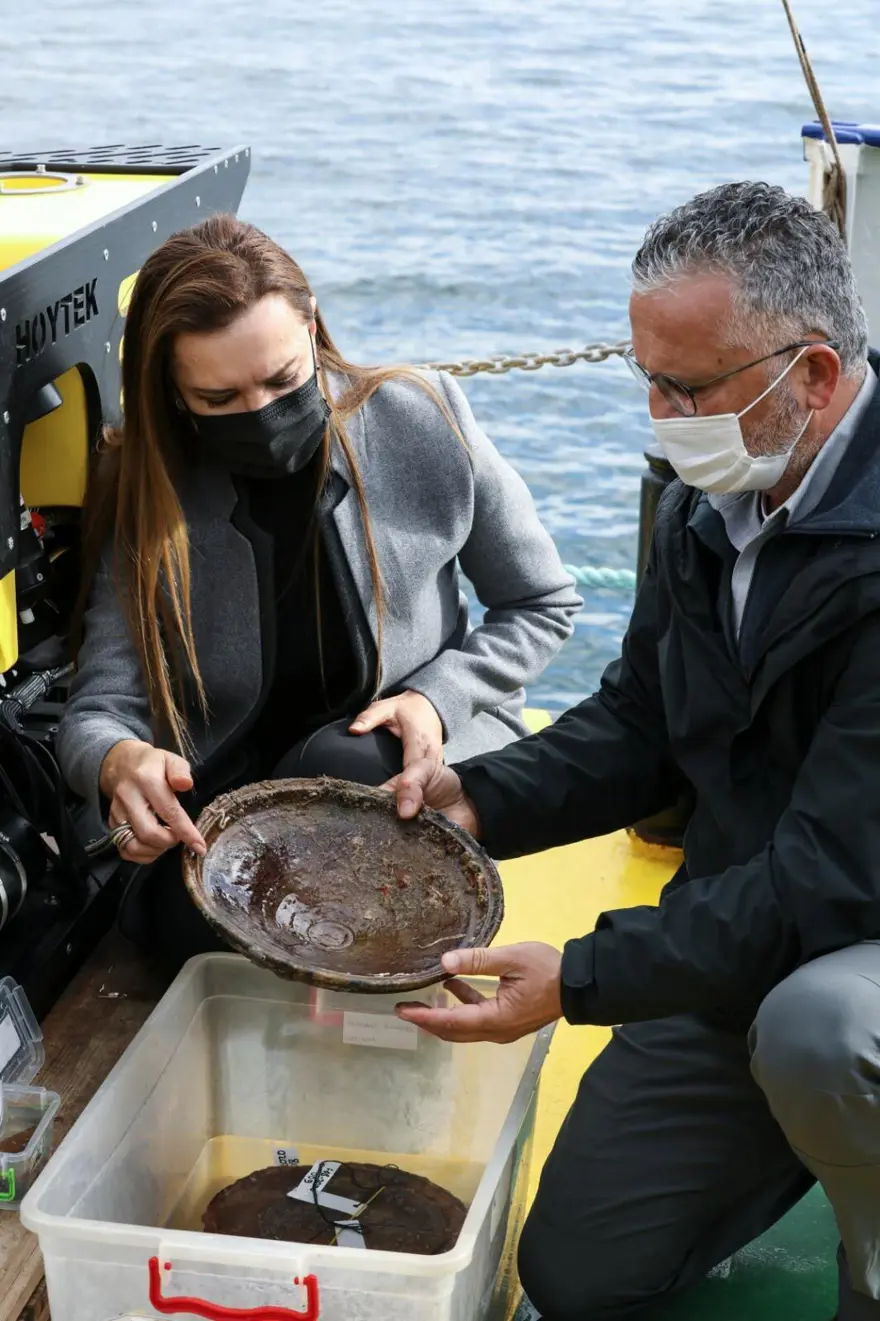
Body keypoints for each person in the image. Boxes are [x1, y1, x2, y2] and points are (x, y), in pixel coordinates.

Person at [390, 182, 880, 1321]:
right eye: (646, 377)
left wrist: (581, 978)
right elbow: (641, 722)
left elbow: (833, 875)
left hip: (851, 944)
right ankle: (798, 1132)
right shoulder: (714, 505)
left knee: (820, 1032)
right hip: (746, 933)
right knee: (579, 1270)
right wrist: (474, 798)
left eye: (688, 387)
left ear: (812, 374)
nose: (661, 413)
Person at [57, 214, 580, 965]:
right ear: (171, 390)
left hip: (406, 765)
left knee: (352, 766)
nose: (260, 415)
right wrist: (117, 760)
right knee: (176, 931)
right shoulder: (147, 487)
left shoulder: (424, 417)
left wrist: (436, 698)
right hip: (230, 797)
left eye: (282, 380)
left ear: (312, 328)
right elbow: (99, 708)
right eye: (218, 398)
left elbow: (542, 602)